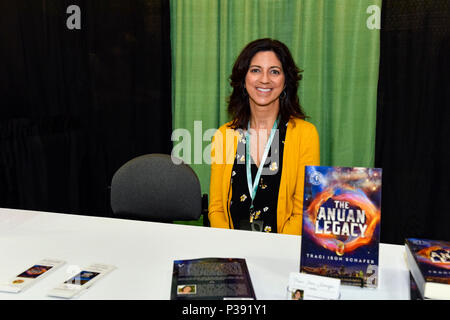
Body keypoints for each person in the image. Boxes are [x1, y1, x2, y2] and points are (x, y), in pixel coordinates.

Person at [208, 38, 320, 235]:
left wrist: (274, 250)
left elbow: (303, 210)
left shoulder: (305, 134)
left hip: (282, 254)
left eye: (274, 71)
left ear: (286, 81)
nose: (265, 79)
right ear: (243, 78)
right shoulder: (224, 135)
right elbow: (216, 208)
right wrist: (230, 248)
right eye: (255, 70)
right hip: (232, 253)